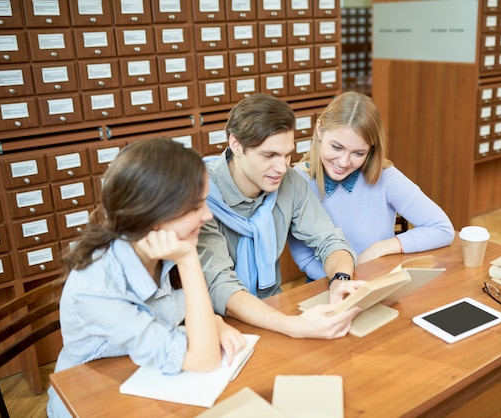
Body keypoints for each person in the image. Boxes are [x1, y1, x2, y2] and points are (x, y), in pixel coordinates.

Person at [47, 138, 246, 417]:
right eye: (194, 207)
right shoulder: (96, 286)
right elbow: (205, 359)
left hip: (143, 380)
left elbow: (178, 316)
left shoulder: (162, 247)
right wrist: (188, 260)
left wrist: (213, 322)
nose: (207, 215)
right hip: (92, 400)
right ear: (152, 215)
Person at [198, 93, 363, 340]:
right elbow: (220, 287)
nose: (282, 167)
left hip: (274, 310)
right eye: (269, 155)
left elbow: (329, 240)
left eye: (287, 155)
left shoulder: (290, 183)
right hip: (218, 325)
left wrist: (340, 280)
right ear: (236, 145)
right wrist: (293, 326)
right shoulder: (199, 193)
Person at [288, 91, 455, 281]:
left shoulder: (386, 176)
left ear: (372, 149)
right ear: (320, 129)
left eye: (358, 153)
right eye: (336, 147)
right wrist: (346, 280)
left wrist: (381, 248)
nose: (343, 162)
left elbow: (443, 229)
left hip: (380, 280)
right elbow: (307, 261)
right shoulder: (297, 183)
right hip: (325, 284)